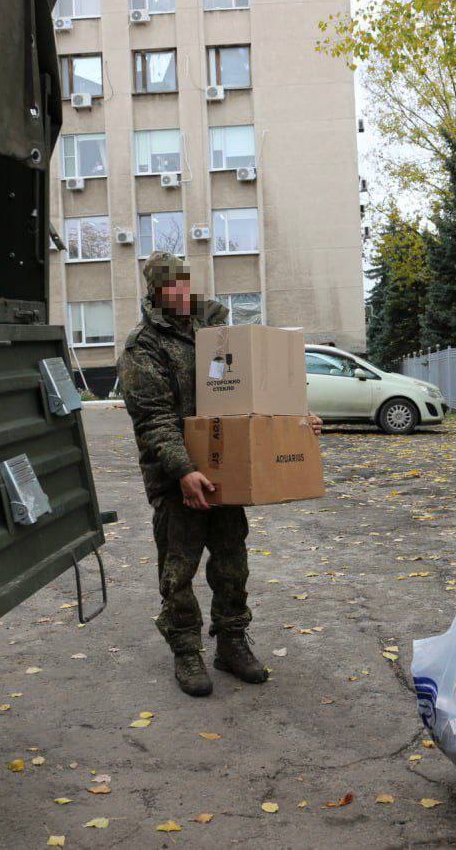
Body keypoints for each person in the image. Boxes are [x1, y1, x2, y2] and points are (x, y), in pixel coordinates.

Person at [117, 251, 321, 697]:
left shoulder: (216, 332)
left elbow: (253, 387)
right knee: (179, 568)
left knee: (232, 562)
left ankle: (231, 641)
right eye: (169, 285)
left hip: (225, 471)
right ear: (155, 291)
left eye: (183, 282)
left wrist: (295, 419)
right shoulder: (144, 346)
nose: (180, 291)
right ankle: (186, 649)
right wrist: (184, 471)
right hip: (177, 481)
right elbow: (153, 419)